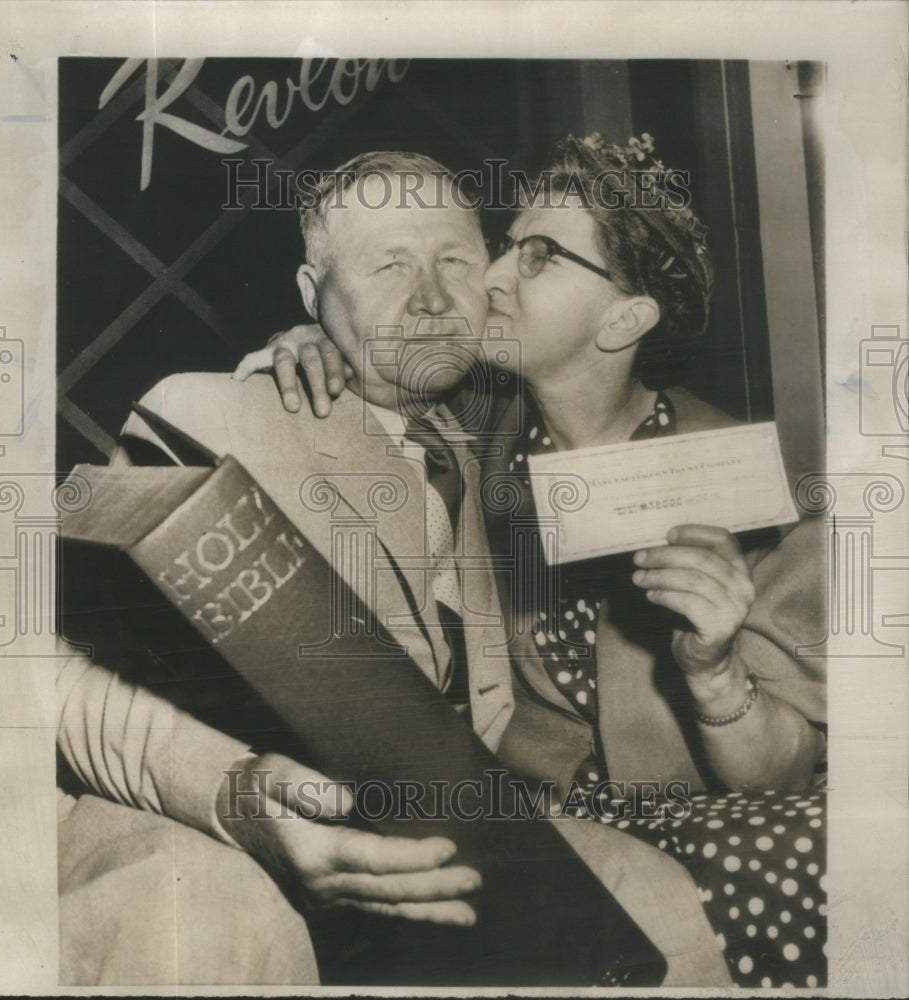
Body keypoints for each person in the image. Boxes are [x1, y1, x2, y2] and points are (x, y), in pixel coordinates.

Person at [57, 151, 730, 986]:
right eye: (388, 266)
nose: (433, 298)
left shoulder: (481, 432)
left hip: (466, 819)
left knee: (656, 901)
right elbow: (81, 675)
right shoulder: (206, 417)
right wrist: (236, 798)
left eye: (455, 261)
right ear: (312, 293)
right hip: (265, 829)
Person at [235, 135, 828, 987]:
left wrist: (713, 672)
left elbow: (781, 775)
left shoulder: (754, 491)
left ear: (623, 319)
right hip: (536, 823)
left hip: (711, 820)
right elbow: (370, 363)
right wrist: (306, 338)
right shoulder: (473, 433)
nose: (493, 276)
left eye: (540, 256)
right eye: (506, 244)